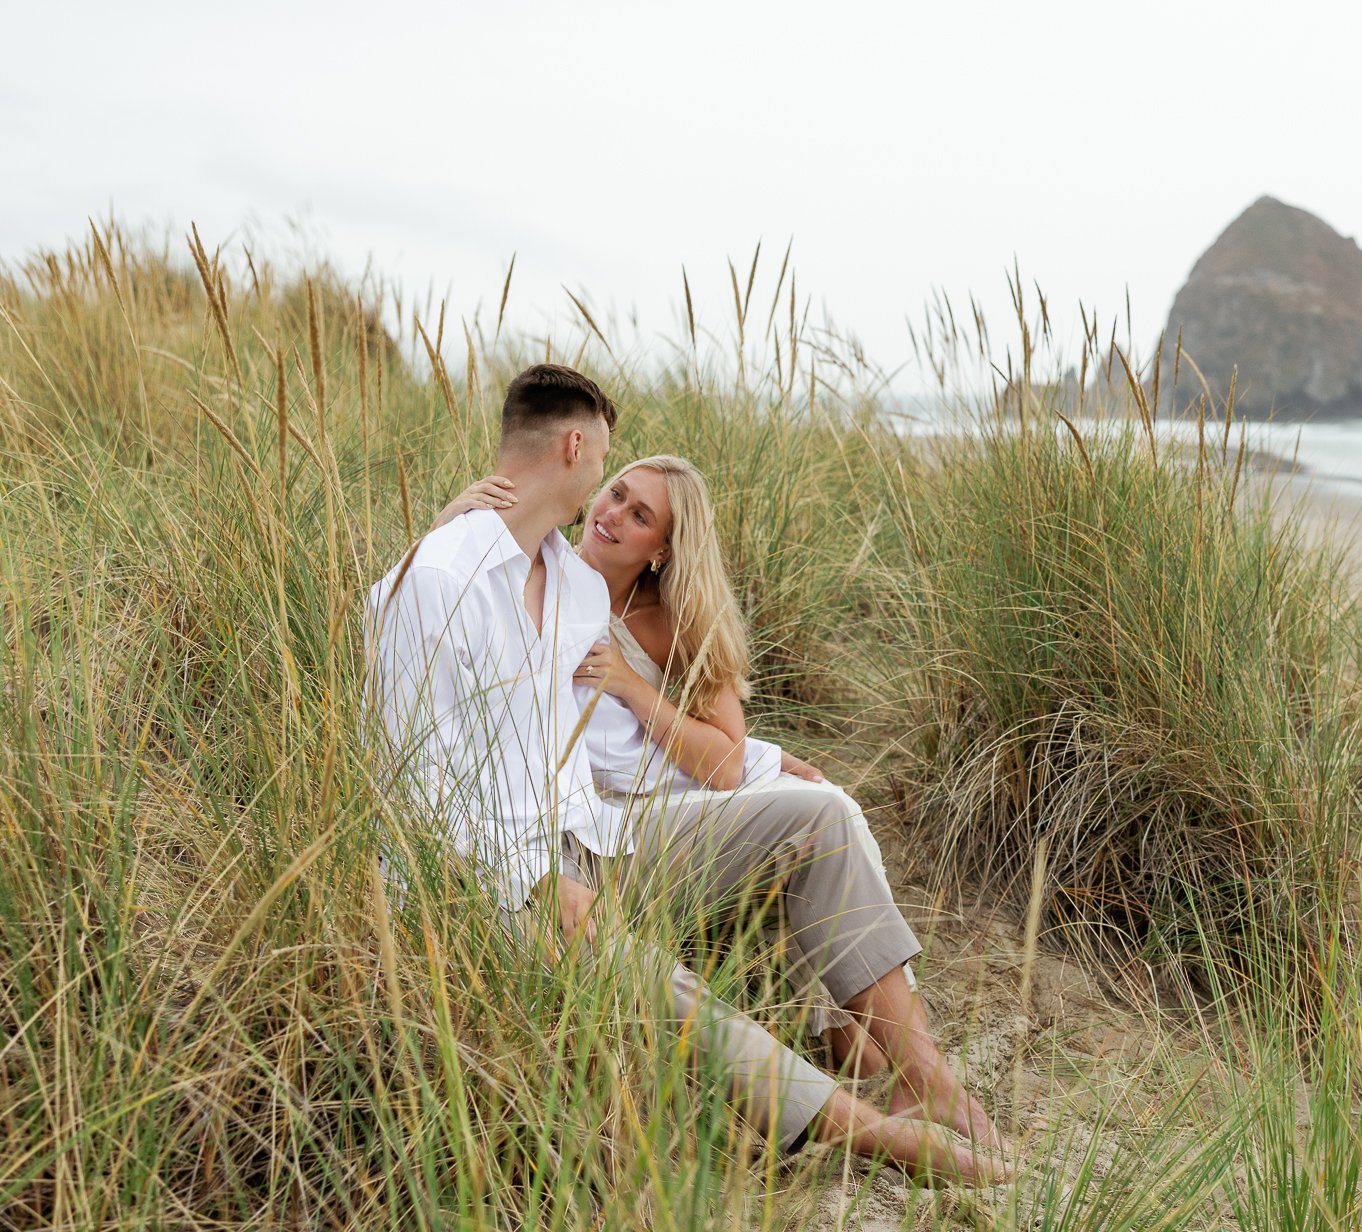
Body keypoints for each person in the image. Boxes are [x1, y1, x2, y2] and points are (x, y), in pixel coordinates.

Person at [368, 364, 1009, 1184]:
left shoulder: (567, 582)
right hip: (496, 880)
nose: (606, 494)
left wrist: (769, 763)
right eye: (606, 471)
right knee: (642, 977)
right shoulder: (436, 584)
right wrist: (534, 876)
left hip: (602, 841)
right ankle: (880, 1137)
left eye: (637, 509)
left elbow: (638, 727)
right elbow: (409, 783)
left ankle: (931, 1085)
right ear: (575, 447)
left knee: (821, 815)